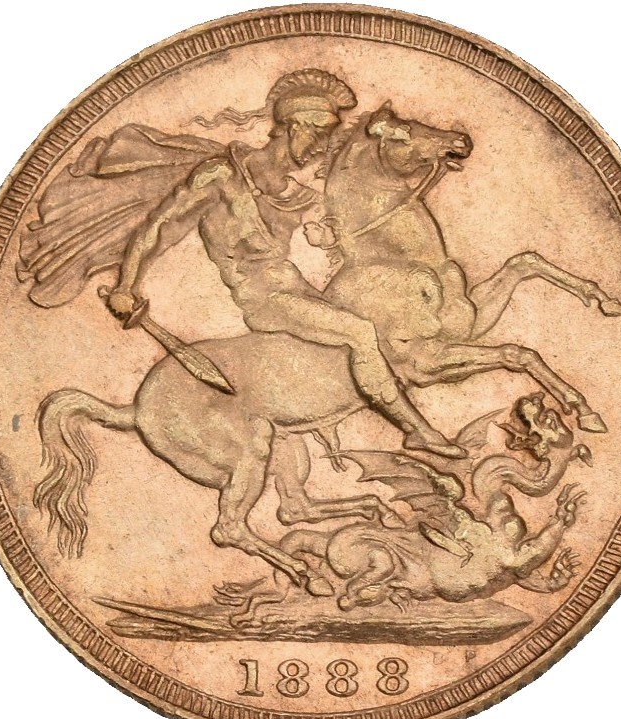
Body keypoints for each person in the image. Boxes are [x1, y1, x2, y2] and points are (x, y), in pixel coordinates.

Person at [106, 68, 463, 458]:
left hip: (297, 289)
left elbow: (341, 228)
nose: (321, 149)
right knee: (360, 332)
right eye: (320, 135)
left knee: (384, 323)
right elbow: (160, 226)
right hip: (265, 299)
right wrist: (126, 284)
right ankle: (418, 431)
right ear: (295, 127)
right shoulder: (221, 177)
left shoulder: (293, 192)